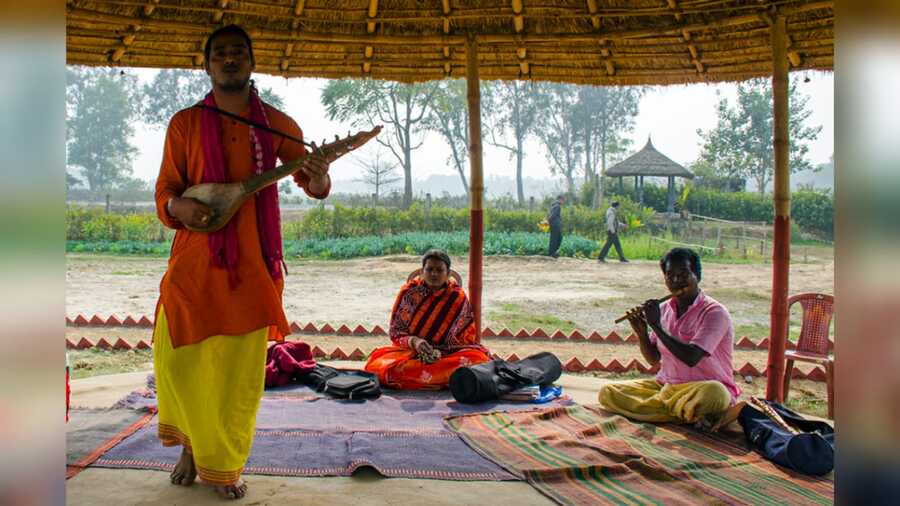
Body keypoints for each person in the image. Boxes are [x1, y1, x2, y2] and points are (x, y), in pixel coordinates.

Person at [152, 25, 332, 500]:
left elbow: (313, 186)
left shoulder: (278, 125)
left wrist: (319, 176)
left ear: (252, 63)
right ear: (207, 64)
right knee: (181, 364)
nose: (230, 59)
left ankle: (225, 464)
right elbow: (166, 192)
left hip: (251, 267)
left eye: (239, 53)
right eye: (221, 53)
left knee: (237, 378)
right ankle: (192, 445)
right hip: (193, 264)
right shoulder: (184, 124)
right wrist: (180, 209)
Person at [598, 248, 739, 424]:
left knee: (716, 394)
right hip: (667, 387)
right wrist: (642, 333)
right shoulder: (664, 309)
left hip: (700, 389)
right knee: (607, 392)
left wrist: (656, 326)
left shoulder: (715, 312)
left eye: (683, 274)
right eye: (670, 275)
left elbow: (692, 357)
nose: (676, 281)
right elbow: (653, 360)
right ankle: (684, 413)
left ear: (697, 275)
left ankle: (663, 411)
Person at [365, 250, 492, 389]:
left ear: (448, 273)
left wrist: (438, 352)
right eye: (430, 269)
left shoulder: (457, 297)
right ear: (422, 271)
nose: (434, 274)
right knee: (377, 365)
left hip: (447, 354)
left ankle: (427, 379)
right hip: (411, 353)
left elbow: (465, 335)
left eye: (439, 270)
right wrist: (415, 342)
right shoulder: (409, 293)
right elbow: (396, 331)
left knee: (479, 360)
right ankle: (445, 380)